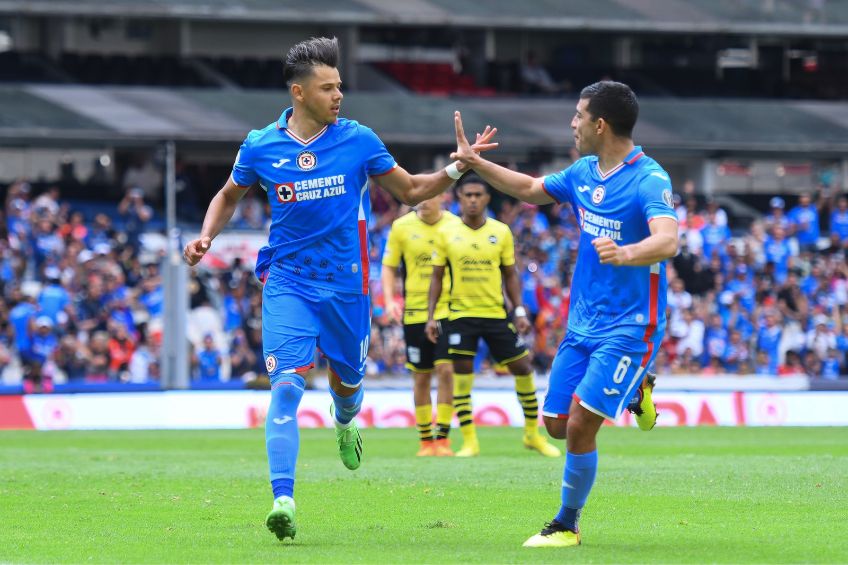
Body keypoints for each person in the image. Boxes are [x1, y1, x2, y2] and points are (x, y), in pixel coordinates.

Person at [182, 36, 497, 542]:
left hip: (347, 289)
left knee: (347, 388)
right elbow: (227, 194)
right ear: (298, 92)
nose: (338, 95)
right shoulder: (261, 145)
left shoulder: (357, 139)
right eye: (327, 87)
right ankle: (282, 498)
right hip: (287, 282)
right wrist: (205, 235)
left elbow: (412, 190)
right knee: (286, 386)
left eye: (340, 86)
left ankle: (345, 418)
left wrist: (459, 166)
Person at [450, 80, 678, 547]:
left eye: (578, 115)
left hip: (632, 324)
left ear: (600, 124)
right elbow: (532, 189)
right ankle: (639, 388)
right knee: (555, 423)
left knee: (578, 425)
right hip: (583, 322)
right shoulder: (583, 172)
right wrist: (476, 163)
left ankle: (566, 523)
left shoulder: (650, 179)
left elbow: (669, 240)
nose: (571, 124)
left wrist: (627, 252)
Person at [425, 175, 561, 459]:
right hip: (460, 316)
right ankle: (470, 441)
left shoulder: (501, 232)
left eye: (478, 195)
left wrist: (519, 310)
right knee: (463, 378)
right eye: (468, 195)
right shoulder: (446, 234)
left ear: (487, 199)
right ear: (459, 199)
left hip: (496, 315)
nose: (473, 200)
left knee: (523, 368)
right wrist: (430, 316)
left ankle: (532, 435)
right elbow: (436, 278)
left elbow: (510, 275)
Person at [381, 194, 459, 457]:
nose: (423, 201)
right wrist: (390, 300)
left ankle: (444, 438)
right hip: (414, 312)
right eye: (420, 197)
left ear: (443, 197)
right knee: (421, 375)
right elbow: (389, 267)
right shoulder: (401, 227)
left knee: (446, 370)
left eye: (430, 196)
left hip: (448, 309)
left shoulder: (454, 225)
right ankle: (426, 441)